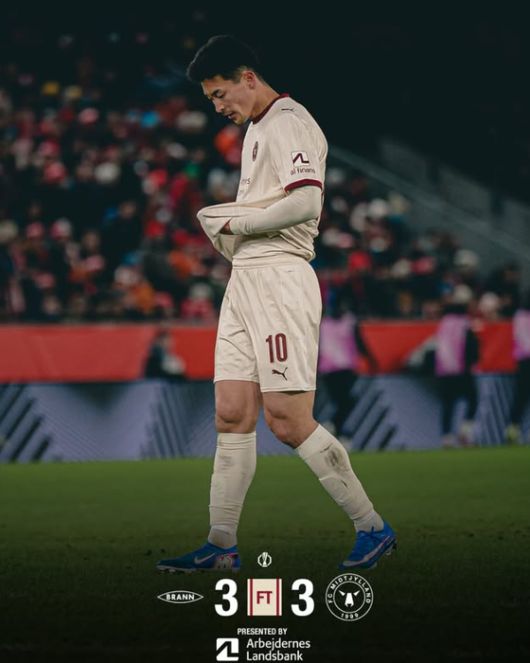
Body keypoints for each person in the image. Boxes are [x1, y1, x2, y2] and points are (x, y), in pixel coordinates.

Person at [157, 35, 396, 574]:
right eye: (210, 99)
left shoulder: (289, 120)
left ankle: (372, 526)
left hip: (281, 277)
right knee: (231, 413)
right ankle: (221, 543)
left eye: (220, 94)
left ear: (247, 77)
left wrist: (238, 221)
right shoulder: (257, 129)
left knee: (287, 420)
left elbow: (307, 200)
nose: (217, 107)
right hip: (245, 280)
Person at [319, 296, 378, 445]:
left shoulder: (348, 321)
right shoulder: (324, 323)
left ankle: (335, 429)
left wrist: (371, 360)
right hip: (329, 370)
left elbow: (360, 341)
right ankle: (339, 431)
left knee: (346, 402)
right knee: (343, 401)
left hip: (346, 368)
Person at [435, 287, 480, 448]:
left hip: (445, 371)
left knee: (448, 404)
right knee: (473, 399)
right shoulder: (464, 323)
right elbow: (471, 345)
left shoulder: (443, 324)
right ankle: (465, 432)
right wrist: (473, 361)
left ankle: (446, 437)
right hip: (462, 369)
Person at [504, 291, 530, 444]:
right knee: (521, 396)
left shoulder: (519, 316)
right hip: (525, 360)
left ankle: (513, 429)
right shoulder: (522, 316)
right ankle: (513, 430)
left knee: (520, 396)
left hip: (522, 360)